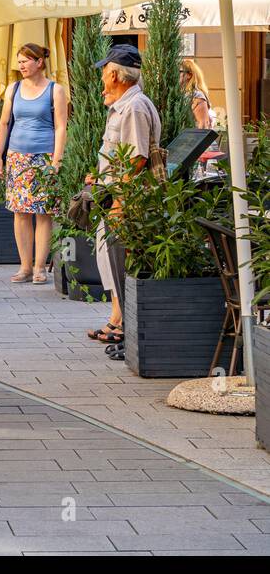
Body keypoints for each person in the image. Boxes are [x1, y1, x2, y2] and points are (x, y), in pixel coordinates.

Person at [88, 44, 161, 355]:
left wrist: (121, 203)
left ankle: (125, 325)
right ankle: (117, 319)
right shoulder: (123, 104)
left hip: (126, 200)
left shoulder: (133, 107)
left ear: (115, 74)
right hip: (114, 195)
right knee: (109, 257)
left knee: (120, 260)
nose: (103, 79)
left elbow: (135, 160)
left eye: (105, 72)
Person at [0, 43, 68, 284]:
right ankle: (24, 267)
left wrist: (57, 159)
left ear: (39, 62)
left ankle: (40, 268)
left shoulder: (55, 90)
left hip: (44, 157)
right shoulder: (13, 89)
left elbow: (61, 126)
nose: (21, 65)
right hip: (17, 157)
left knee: (44, 213)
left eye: (25, 60)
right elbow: (4, 124)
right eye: (19, 61)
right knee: (20, 212)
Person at [180, 58, 212, 130]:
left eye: (179, 71)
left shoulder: (197, 96)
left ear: (189, 75)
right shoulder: (180, 95)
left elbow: (203, 125)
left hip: (194, 139)